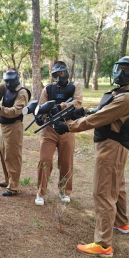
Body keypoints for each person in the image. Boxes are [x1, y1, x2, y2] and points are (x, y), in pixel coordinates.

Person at [54, 56, 129, 258]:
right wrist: (81, 110)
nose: (120, 73)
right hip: (113, 145)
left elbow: (98, 119)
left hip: (111, 147)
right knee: (118, 185)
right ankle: (121, 222)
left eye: (126, 69)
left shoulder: (127, 97)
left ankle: (103, 244)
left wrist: (68, 126)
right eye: (119, 68)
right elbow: (100, 110)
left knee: (103, 191)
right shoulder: (121, 93)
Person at [34, 61, 83, 206]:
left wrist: (60, 106)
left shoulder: (75, 86)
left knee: (66, 162)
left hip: (67, 127)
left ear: (66, 72)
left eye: (61, 73)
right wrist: (40, 116)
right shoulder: (48, 89)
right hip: (49, 128)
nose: (58, 77)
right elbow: (42, 106)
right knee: (44, 160)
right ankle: (40, 192)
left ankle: (64, 192)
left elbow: (78, 102)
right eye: (55, 74)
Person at [0, 68, 30, 197]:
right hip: (4, 126)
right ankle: (7, 180)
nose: (8, 84)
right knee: (3, 153)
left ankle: (14, 186)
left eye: (11, 81)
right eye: (6, 81)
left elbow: (16, 111)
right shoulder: (5, 87)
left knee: (13, 156)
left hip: (14, 127)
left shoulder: (22, 92)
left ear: (16, 79)